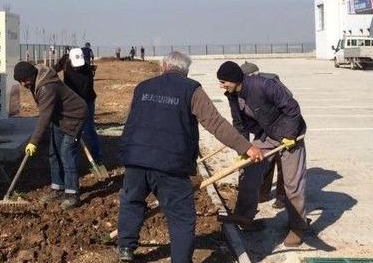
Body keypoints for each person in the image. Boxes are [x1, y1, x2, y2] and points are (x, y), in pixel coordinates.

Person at [117, 52, 264, 262]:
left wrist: (128, 152)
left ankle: (125, 248)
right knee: (182, 218)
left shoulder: (143, 87)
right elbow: (215, 123)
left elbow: (131, 121)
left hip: (136, 159)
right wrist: (246, 147)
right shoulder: (191, 89)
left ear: (163, 66)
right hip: (171, 165)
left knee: (131, 201)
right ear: (186, 71)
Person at [216, 61, 308, 247]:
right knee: (248, 171)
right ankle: (244, 217)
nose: (221, 85)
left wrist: (290, 135)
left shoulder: (264, 85)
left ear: (235, 79)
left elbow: (292, 109)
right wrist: (243, 149)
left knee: (292, 183)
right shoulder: (232, 95)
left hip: (289, 134)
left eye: (224, 81)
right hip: (266, 135)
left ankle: (297, 228)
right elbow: (239, 124)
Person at [13, 61, 87, 209]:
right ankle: (58, 188)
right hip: (60, 117)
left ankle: (72, 194)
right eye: (20, 81)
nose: (23, 84)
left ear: (32, 75)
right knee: (54, 153)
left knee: (66, 152)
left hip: (74, 117)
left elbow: (44, 117)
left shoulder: (46, 87)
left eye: (24, 80)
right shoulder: (36, 80)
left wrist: (34, 141)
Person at [240, 62, 286, 209]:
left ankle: (282, 197)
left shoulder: (269, 85)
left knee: (282, 162)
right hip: (263, 131)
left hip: (282, 129)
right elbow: (241, 122)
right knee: (263, 159)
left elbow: (285, 110)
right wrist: (244, 147)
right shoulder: (243, 91)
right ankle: (262, 193)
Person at [55, 48, 103, 165]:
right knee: (69, 131)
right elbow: (55, 69)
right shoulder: (66, 59)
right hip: (69, 100)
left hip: (86, 101)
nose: (77, 67)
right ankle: (70, 159)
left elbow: (83, 96)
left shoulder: (86, 72)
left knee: (88, 129)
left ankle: (97, 157)